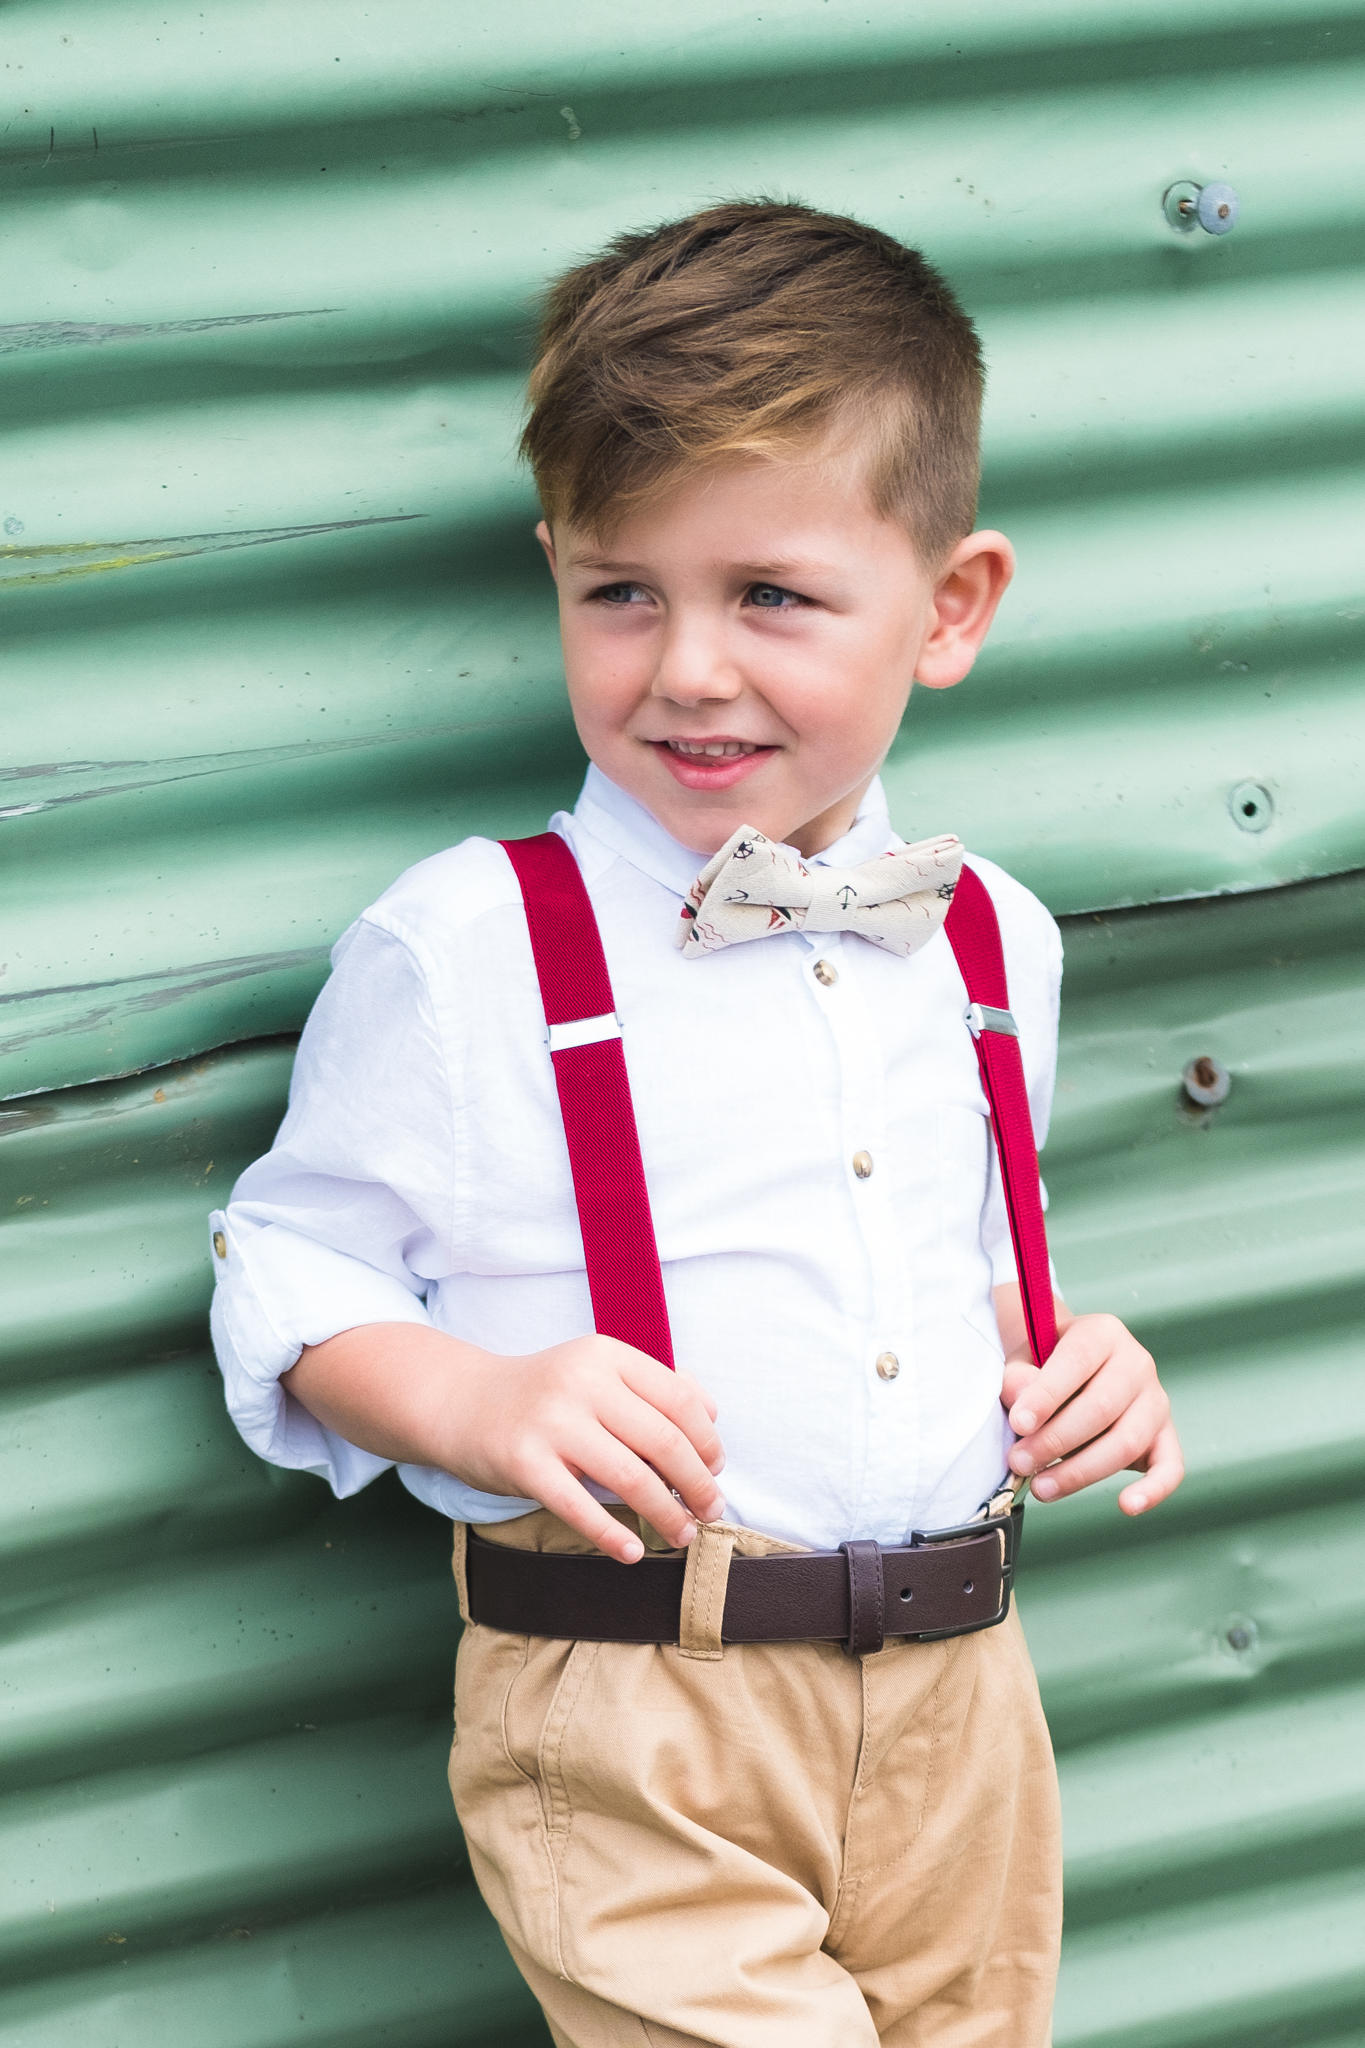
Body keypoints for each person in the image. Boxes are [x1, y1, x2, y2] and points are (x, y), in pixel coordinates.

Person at [208, 199, 1183, 2047]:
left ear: (950, 606)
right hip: (642, 1698)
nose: (686, 668)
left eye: (773, 597)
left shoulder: (991, 938)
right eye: (620, 589)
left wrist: (1065, 1359)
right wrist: (477, 1402)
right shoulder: (473, 941)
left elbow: (942, 1273)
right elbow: (294, 1259)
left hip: (965, 1686)